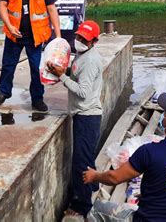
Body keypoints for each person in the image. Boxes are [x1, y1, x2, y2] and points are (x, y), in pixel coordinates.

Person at [83, 93, 166, 221]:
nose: (164, 115)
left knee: (97, 208)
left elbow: (114, 177)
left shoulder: (150, 151)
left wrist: (94, 176)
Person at [47, 20, 103, 218]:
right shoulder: (82, 54)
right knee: (86, 155)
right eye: (78, 37)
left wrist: (62, 76)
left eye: (83, 39)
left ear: (94, 41)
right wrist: (64, 71)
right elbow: (77, 76)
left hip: (87, 116)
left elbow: (82, 92)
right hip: (82, 114)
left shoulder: (91, 61)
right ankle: (93, 183)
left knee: (80, 162)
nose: (78, 40)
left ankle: (82, 204)